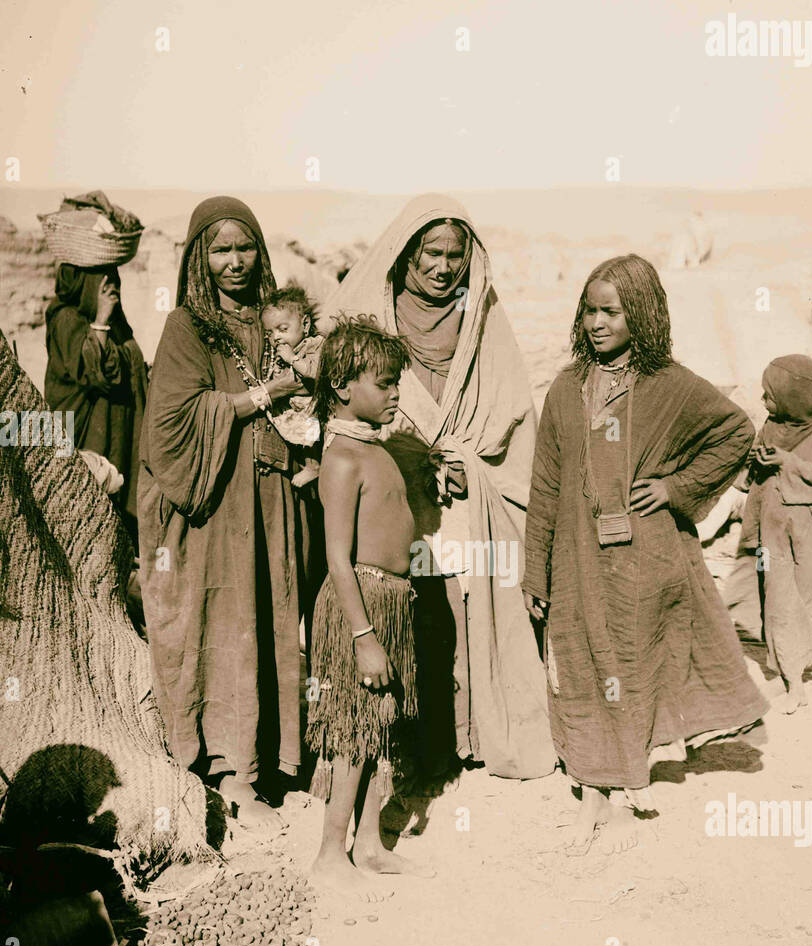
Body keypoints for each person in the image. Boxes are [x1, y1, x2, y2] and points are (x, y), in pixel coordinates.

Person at [523, 254, 768, 851]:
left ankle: (628, 783)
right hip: (577, 559)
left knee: (632, 669)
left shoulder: (669, 385)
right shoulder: (566, 388)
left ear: (643, 316)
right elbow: (547, 483)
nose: (597, 323)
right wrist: (535, 570)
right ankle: (594, 796)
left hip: (644, 559)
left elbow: (734, 431)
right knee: (580, 668)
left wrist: (675, 488)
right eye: (590, 309)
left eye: (612, 311)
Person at [319, 194, 555, 782]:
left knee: (457, 609)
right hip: (390, 483)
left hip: (464, 488)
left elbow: (511, 409)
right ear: (405, 254)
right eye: (431, 253)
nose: (444, 267)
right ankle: (402, 751)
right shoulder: (373, 312)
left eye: (455, 256)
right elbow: (341, 392)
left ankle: (461, 741)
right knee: (405, 608)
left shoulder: (479, 316)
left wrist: (466, 461)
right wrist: (413, 457)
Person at [137, 197, 310, 833]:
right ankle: (232, 777)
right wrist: (263, 397)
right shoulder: (186, 326)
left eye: (245, 248)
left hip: (271, 497)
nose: (234, 262)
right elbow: (171, 424)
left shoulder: (274, 321)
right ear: (198, 259)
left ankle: (273, 759)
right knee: (231, 624)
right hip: (217, 506)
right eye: (220, 249)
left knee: (272, 620)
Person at [305, 316, 428, 901]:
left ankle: (371, 845)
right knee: (353, 730)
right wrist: (363, 636)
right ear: (342, 389)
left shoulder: (376, 448)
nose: (395, 393)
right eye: (383, 383)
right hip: (361, 604)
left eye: (396, 381)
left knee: (383, 726)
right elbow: (336, 556)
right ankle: (331, 851)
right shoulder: (342, 457)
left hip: (390, 600)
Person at [729, 354, 812, 712]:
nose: (764, 401)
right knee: (776, 603)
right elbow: (748, 477)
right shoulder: (773, 425)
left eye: (770, 395)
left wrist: (788, 462)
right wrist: (755, 460)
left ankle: (795, 678)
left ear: (795, 397)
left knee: (797, 604)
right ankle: (793, 681)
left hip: (806, 537)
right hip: (770, 534)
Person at [44, 262, 148, 532]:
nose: (112, 285)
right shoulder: (66, 318)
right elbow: (98, 375)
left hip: (124, 435)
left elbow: (130, 365)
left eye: (114, 276)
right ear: (83, 282)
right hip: (89, 436)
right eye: (102, 279)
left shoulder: (116, 320)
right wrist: (100, 322)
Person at [260, 284, 323, 489]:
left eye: (282, 329)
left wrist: (292, 359)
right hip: (295, 404)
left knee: (308, 430)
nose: (275, 337)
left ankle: (313, 465)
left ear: (305, 325)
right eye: (269, 333)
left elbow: (314, 372)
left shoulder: (314, 345)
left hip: (312, 407)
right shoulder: (283, 352)